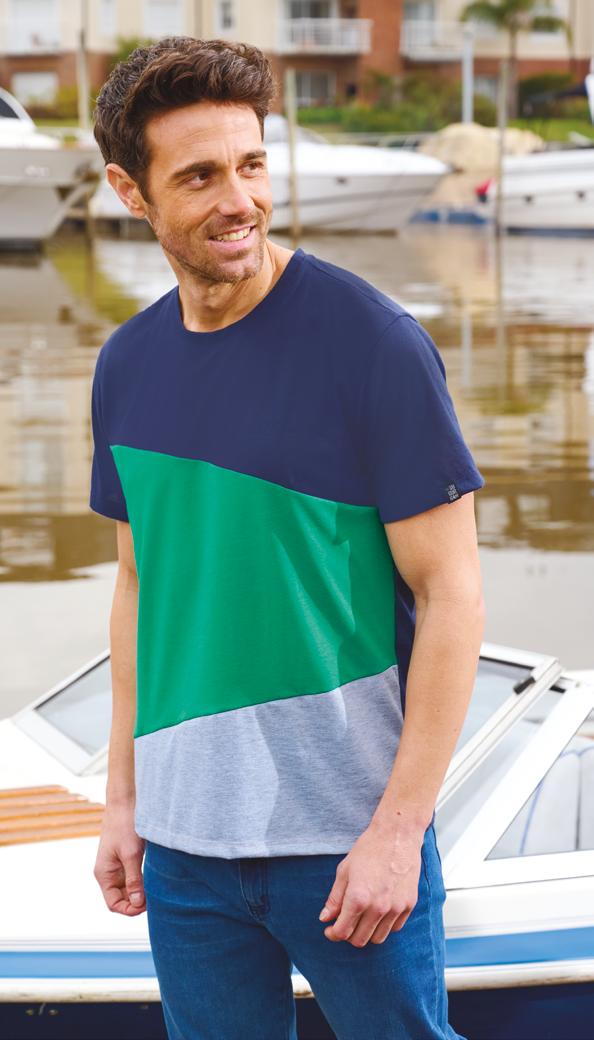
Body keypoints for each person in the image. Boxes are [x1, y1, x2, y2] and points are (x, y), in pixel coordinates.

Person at [90, 35, 485, 1040]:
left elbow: (451, 594)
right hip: (185, 849)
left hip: (348, 839)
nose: (241, 200)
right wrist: (123, 798)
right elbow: (139, 587)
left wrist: (398, 831)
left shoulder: (373, 343)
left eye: (253, 165)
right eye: (200, 176)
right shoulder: (126, 365)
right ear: (131, 193)